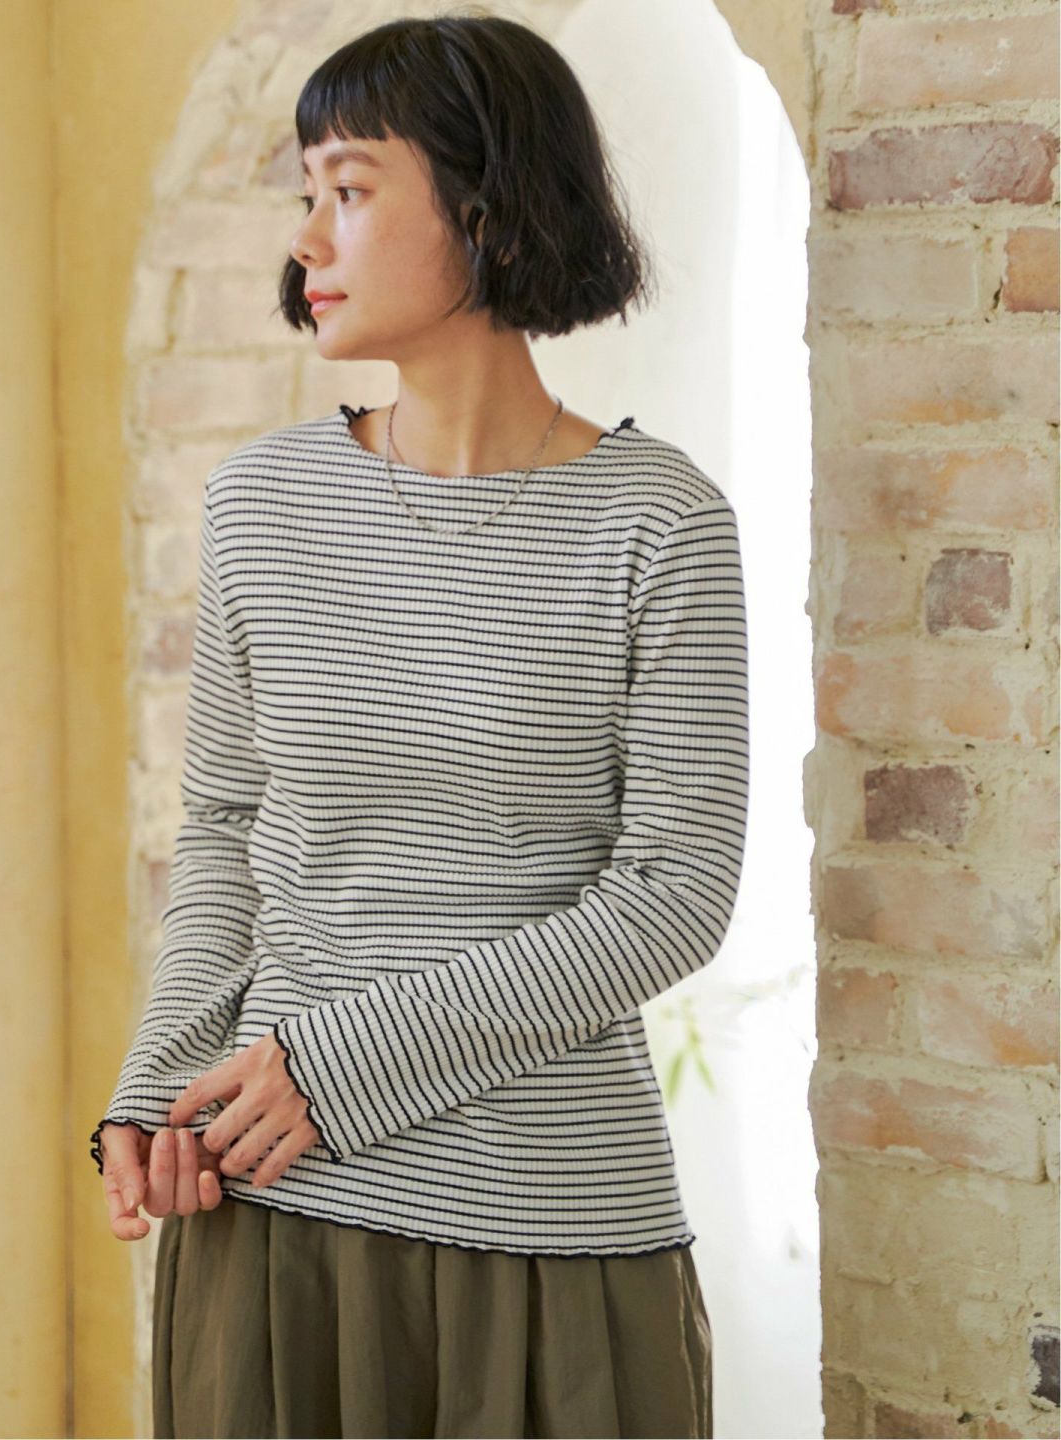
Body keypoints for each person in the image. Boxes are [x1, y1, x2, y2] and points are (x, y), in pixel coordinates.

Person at [91, 10, 747, 1438]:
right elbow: (228, 828)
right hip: (273, 1211)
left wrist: (340, 1070)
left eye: (349, 190)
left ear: (487, 210)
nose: (306, 242)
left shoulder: (659, 524)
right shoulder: (262, 504)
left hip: (551, 1229)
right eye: (305, 195)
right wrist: (157, 1079)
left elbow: (676, 893)